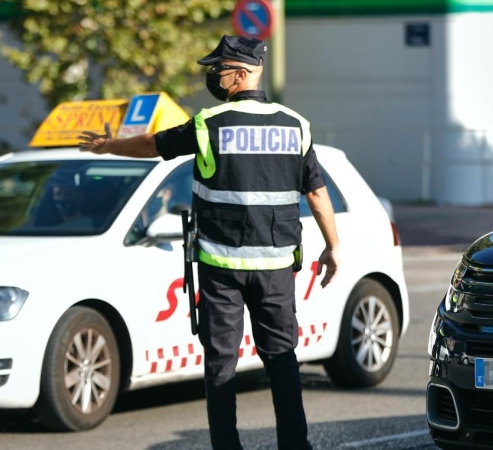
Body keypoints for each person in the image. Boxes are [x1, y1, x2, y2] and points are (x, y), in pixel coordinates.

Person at [79, 35, 340, 450]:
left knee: (221, 364)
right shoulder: (296, 125)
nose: (213, 77)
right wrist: (333, 246)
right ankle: (296, 445)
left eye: (219, 70)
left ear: (241, 73)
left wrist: (109, 145)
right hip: (275, 270)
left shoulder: (208, 124)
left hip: (221, 269)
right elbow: (318, 193)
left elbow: (153, 145)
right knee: (282, 361)